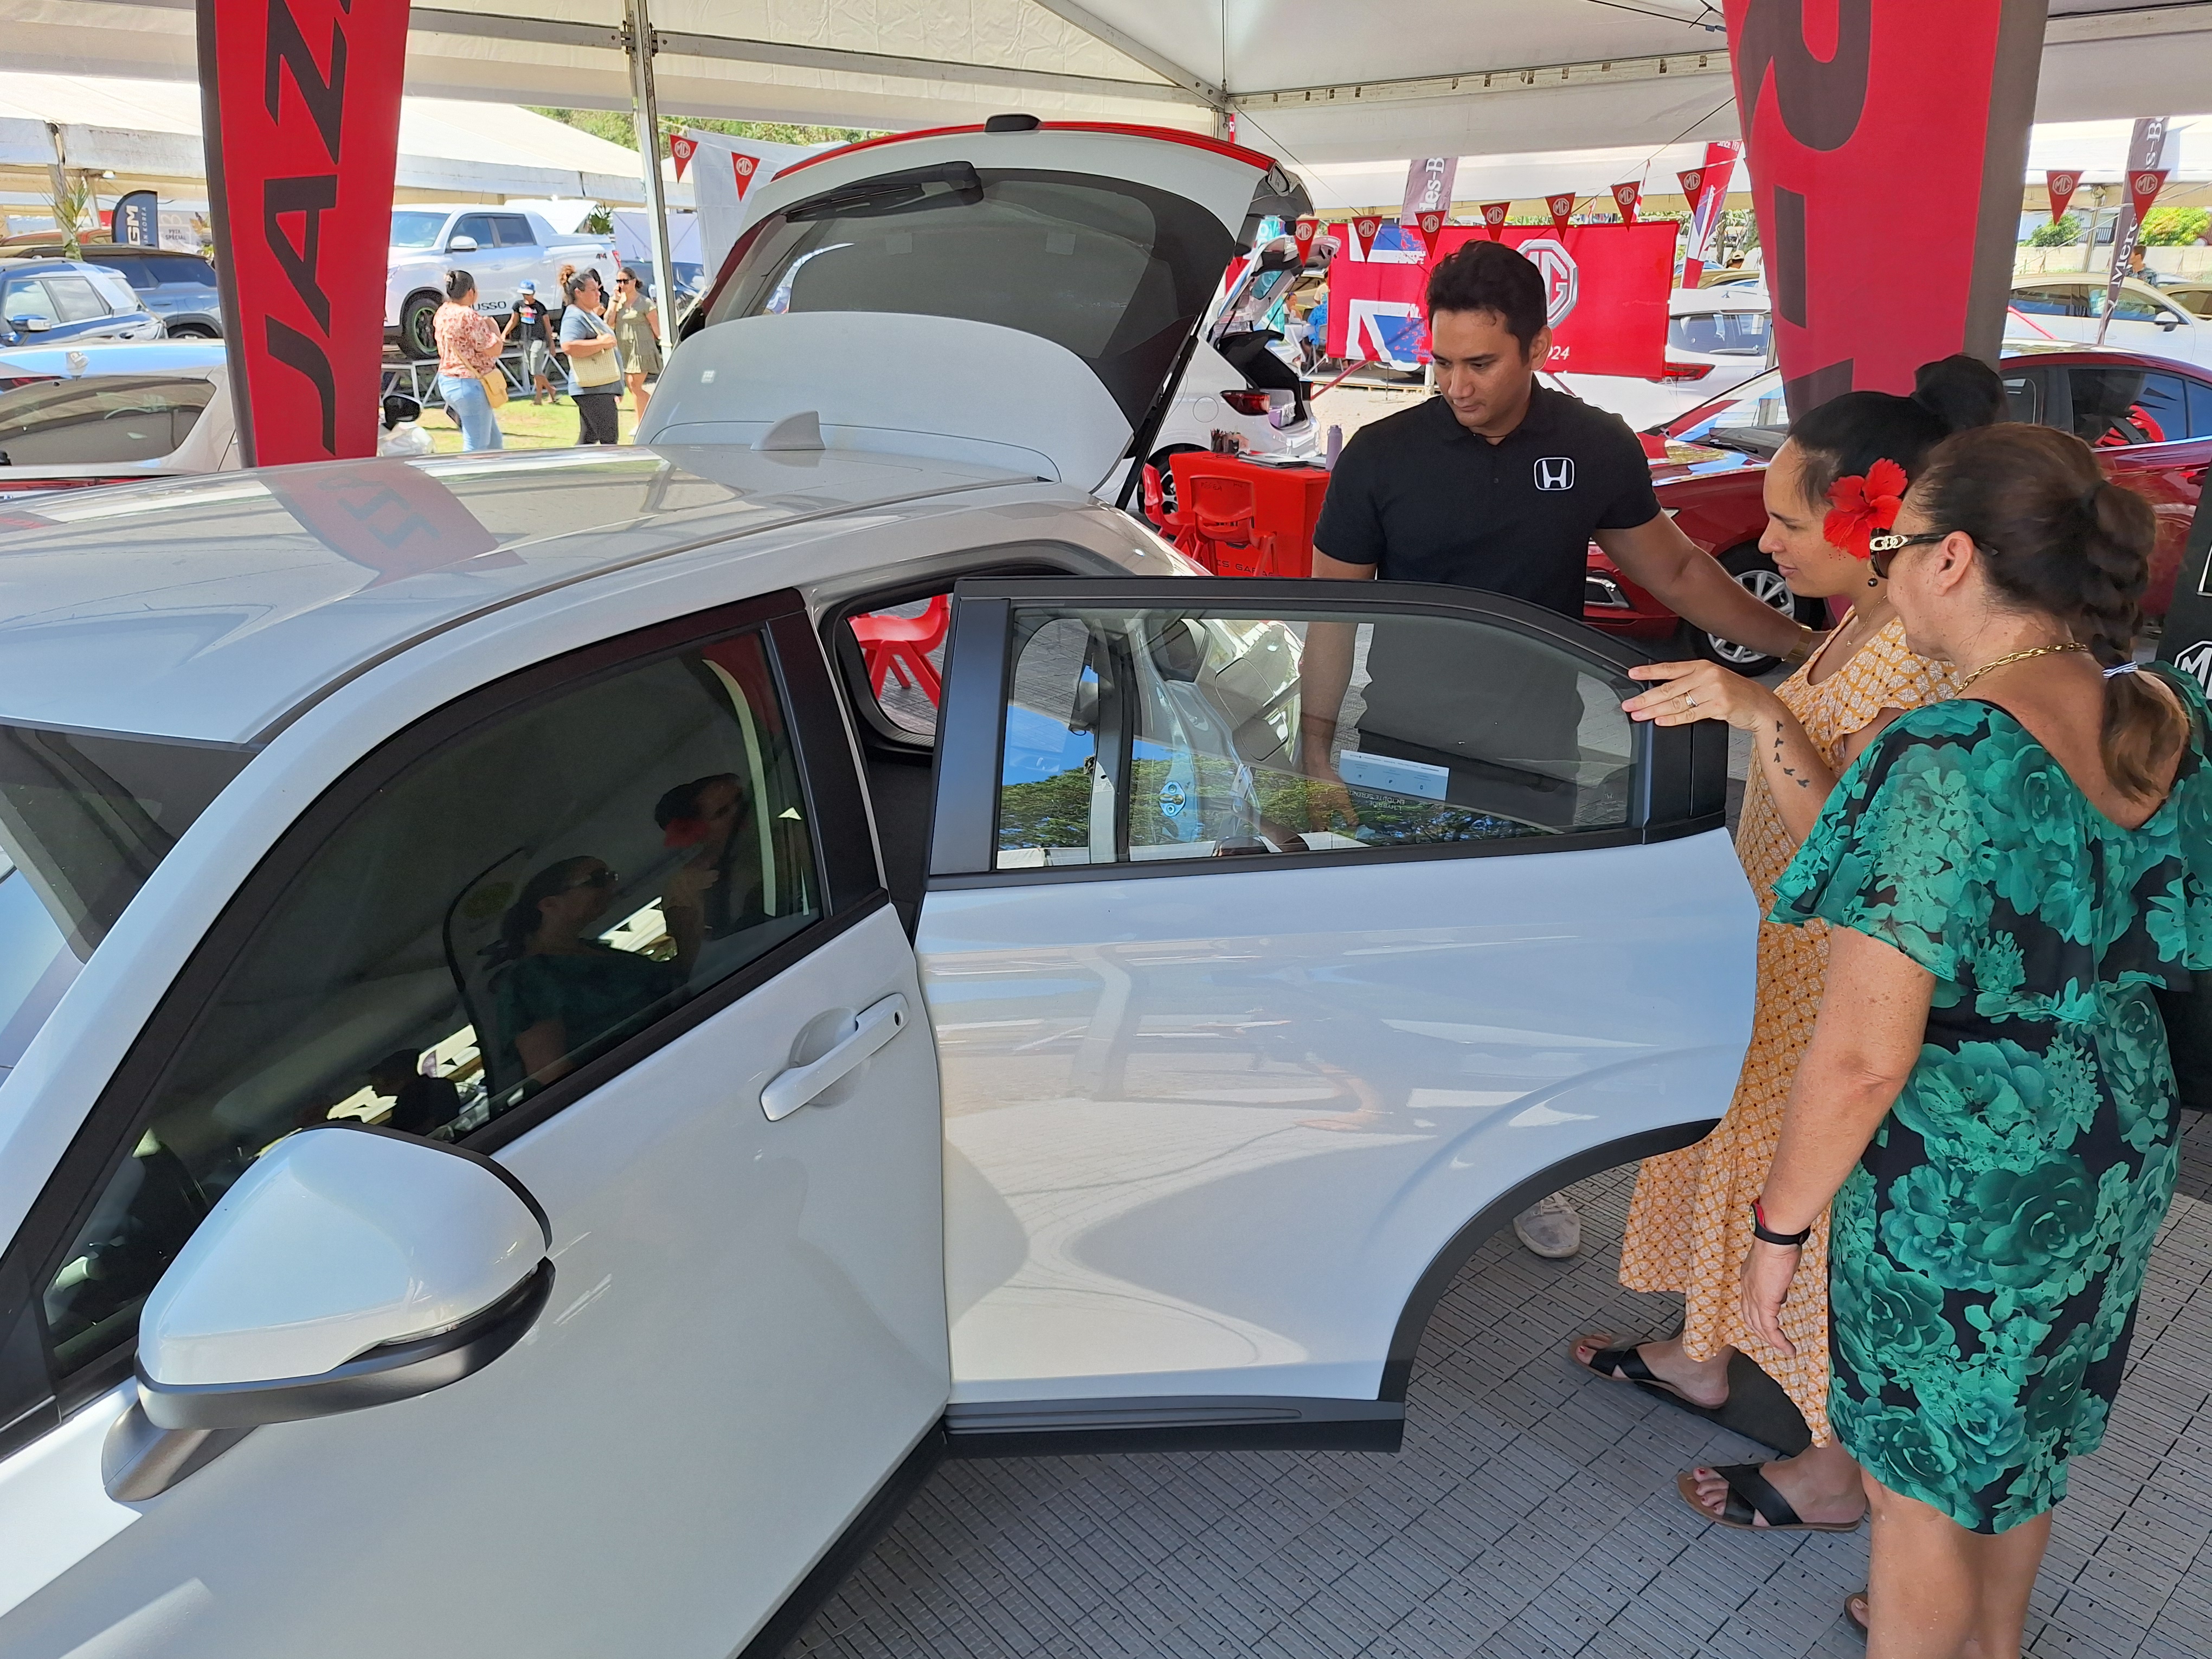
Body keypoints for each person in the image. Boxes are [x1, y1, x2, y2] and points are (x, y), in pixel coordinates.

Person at [1749, 422, 2208, 1649]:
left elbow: (1859, 1056)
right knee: (2018, 1453)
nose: (1884, 574)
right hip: (2112, 1145)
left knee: (1912, 1504)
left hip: (1967, 1182)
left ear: (1951, 560)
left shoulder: (1942, 753)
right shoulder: (2160, 717)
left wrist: (1774, 1229)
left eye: (1892, 549)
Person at [1304, 240, 1816, 1259]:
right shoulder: (1381, 457)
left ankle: (1512, 1175)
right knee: (1398, 967)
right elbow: (1329, 613)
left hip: (1544, 759)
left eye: (1480, 364)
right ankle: (1390, 1144)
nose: (1456, 387)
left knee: (1521, 975)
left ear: (1538, 345)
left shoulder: (1593, 444)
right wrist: (1316, 755)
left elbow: (1671, 566)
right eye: (1439, 364)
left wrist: (1802, 647)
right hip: (1404, 753)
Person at [1571, 356, 2004, 1535]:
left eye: (1784, 517)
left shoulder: (1923, 660)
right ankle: (1704, 1356)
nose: (1766, 537)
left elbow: (1870, 867)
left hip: (1839, 983)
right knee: (1739, 1160)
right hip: (1778, 958)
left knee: (1811, 1212)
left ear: (1875, 524)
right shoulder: (1865, 617)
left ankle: (1835, 1466)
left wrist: (1756, 710)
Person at [492, 856, 679, 1089]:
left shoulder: (594, 952)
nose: (611, 886)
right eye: (597, 880)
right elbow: (551, 1073)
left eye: (611, 877)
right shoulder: (530, 978)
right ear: (549, 904)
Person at [654, 772, 762, 964]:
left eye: (740, 799)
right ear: (696, 833)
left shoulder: (786, 833)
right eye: (722, 812)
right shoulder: (685, 885)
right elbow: (696, 959)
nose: (739, 811)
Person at [432, 269, 506, 453]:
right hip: (470, 384)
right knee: (477, 446)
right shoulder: (469, 315)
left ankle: (495, 475)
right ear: (471, 292)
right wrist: (495, 329)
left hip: (448, 380)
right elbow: (495, 349)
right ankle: (471, 479)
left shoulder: (443, 311)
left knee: (493, 441)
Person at [558, 269, 623, 446]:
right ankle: (607, 472)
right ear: (578, 293)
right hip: (594, 388)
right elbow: (568, 346)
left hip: (598, 388)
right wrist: (601, 343)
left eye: (598, 289)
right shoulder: (575, 315)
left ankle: (578, 470)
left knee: (590, 438)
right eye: (593, 290)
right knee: (608, 440)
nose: (599, 293)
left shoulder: (587, 314)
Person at [365, 1050, 464, 1137]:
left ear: (399, 1077)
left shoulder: (412, 1103)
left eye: (378, 1079)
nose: (373, 1086)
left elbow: (407, 1135)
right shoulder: (441, 1086)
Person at [609, 268, 664, 422]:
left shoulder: (645, 303)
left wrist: (664, 344)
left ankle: (642, 423)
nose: (622, 285)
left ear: (634, 281)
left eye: (625, 281)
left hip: (642, 348)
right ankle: (653, 416)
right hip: (625, 349)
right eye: (619, 282)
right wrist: (615, 300)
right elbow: (609, 323)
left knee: (635, 384)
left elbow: (657, 329)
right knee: (633, 387)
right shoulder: (617, 303)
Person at [504, 278, 557, 404]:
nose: (526, 296)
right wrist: (504, 334)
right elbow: (513, 321)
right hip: (526, 341)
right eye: (524, 294)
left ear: (533, 293)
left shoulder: (540, 307)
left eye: (528, 293)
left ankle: (543, 394)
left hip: (539, 340)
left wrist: (552, 344)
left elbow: (548, 327)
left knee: (535, 370)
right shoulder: (518, 305)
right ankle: (547, 393)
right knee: (534, 371)